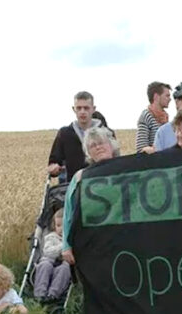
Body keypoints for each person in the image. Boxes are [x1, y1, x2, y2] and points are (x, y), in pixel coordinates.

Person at [62, 127, 121, 265]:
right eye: (93, 145)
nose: (98, 147)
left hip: (121, 238)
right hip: (93, 241)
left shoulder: (127, 169)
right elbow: (68, 213)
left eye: (101, 143)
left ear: (111, 145)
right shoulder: (80, 177)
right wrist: (66, 246)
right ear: (88, 152)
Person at [47, 91, 102, 183]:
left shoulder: (105, 132)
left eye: (86, 108)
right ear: (74, 109)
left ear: (93, 109)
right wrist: (54, 168)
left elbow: (114, 161)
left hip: (100, 183)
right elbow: (53, 162)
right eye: (79, 108)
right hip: (72, 186)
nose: (82, 112)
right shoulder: (64, 134)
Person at [34, 208, 72, 302]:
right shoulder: (51, 237)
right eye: (58, 225)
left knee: (65, 269)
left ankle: (53, 294)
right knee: (45, 265)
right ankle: (40, 294)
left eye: (64, 226)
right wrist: (63, 246)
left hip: (63, 264)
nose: (61, 229)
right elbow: (48, 252)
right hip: (48, 261)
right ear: (54, 226)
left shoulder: (72, 240)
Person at [136, 81, 171, 153]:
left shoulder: (165, 117)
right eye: (167, 96)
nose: (170, 99)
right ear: (156, 97)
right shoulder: (146, 116)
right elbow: (141, 148)